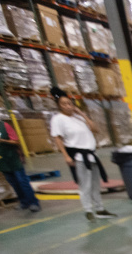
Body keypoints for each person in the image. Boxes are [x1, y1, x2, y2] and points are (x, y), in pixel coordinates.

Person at [49, 92, 115, 221]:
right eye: (64, 104)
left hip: (91, 154)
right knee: (85, 185)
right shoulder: (58, 119)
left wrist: (81, 114)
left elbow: (95, 129)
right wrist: (66, 156)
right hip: (79, 156)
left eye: (70, 103)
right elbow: (57, 138)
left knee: (96, 184)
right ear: (59, 106)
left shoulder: (78, 118)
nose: (68, 106)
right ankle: (88, 210)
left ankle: (100, 208)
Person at [0, 102, 40, 213]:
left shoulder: (4, 125)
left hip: (12, 157)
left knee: (22, 181)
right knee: (12, 182)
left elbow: (16, 141)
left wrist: (3, 140)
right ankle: (23, 202)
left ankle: (33, 202)